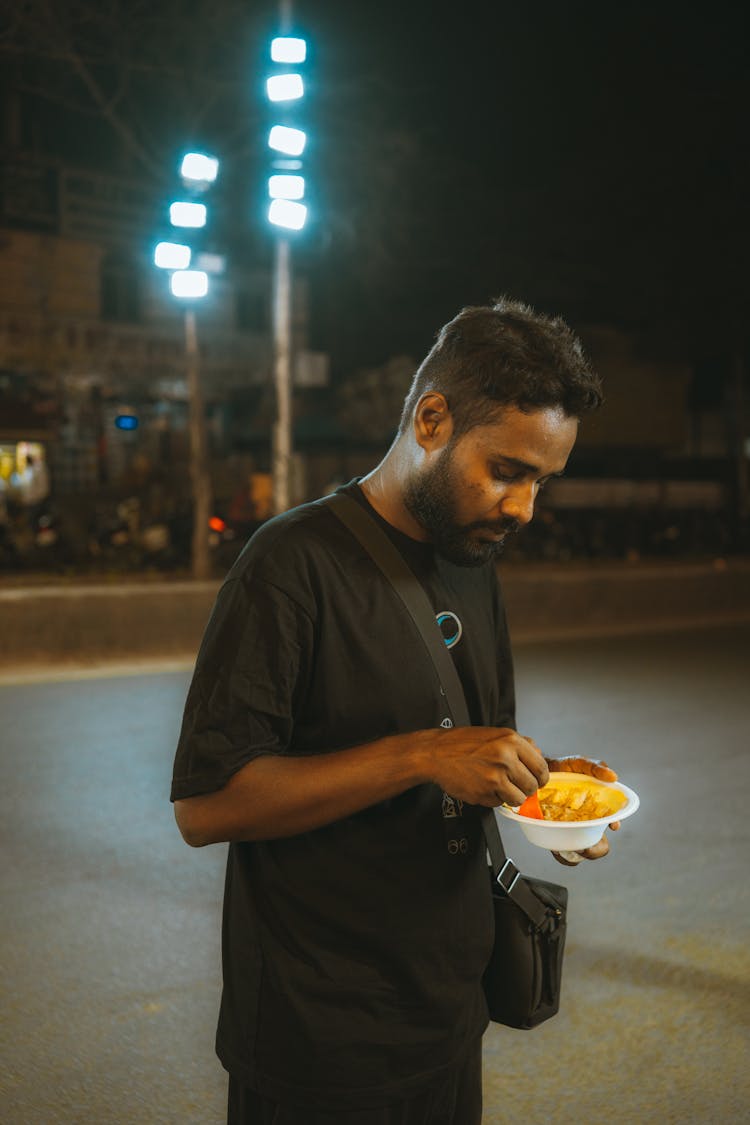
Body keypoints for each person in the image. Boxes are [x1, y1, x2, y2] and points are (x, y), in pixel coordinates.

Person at [171, 297, 616, 1125]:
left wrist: (549, 788)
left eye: (541, 482)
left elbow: (471, 750)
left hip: (449, 1013)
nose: (524, 508)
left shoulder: (471, 557)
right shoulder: (291, 564)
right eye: (509, 471)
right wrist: (416, 755)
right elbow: (207, 804)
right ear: (433, 418)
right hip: (321, 1040)